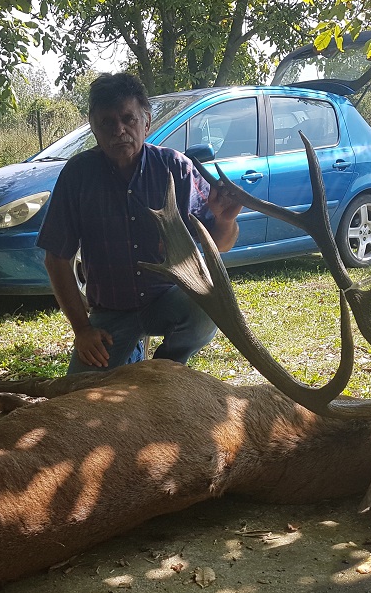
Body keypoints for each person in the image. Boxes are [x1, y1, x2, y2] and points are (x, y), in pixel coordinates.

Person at [37, 72, 242, 374]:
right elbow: (55, 258)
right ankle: (133, 359)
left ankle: (163, 370)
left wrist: (225, 221)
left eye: (128, 119)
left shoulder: (176, 168)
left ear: (146, 123)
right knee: (79, 393)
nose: (119, 130)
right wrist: (83, 330)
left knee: (207, 309)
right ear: (94, 128)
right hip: (111, 314)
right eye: (107, 122)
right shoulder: (78, 175)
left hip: (168, 300)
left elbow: (221, 244)